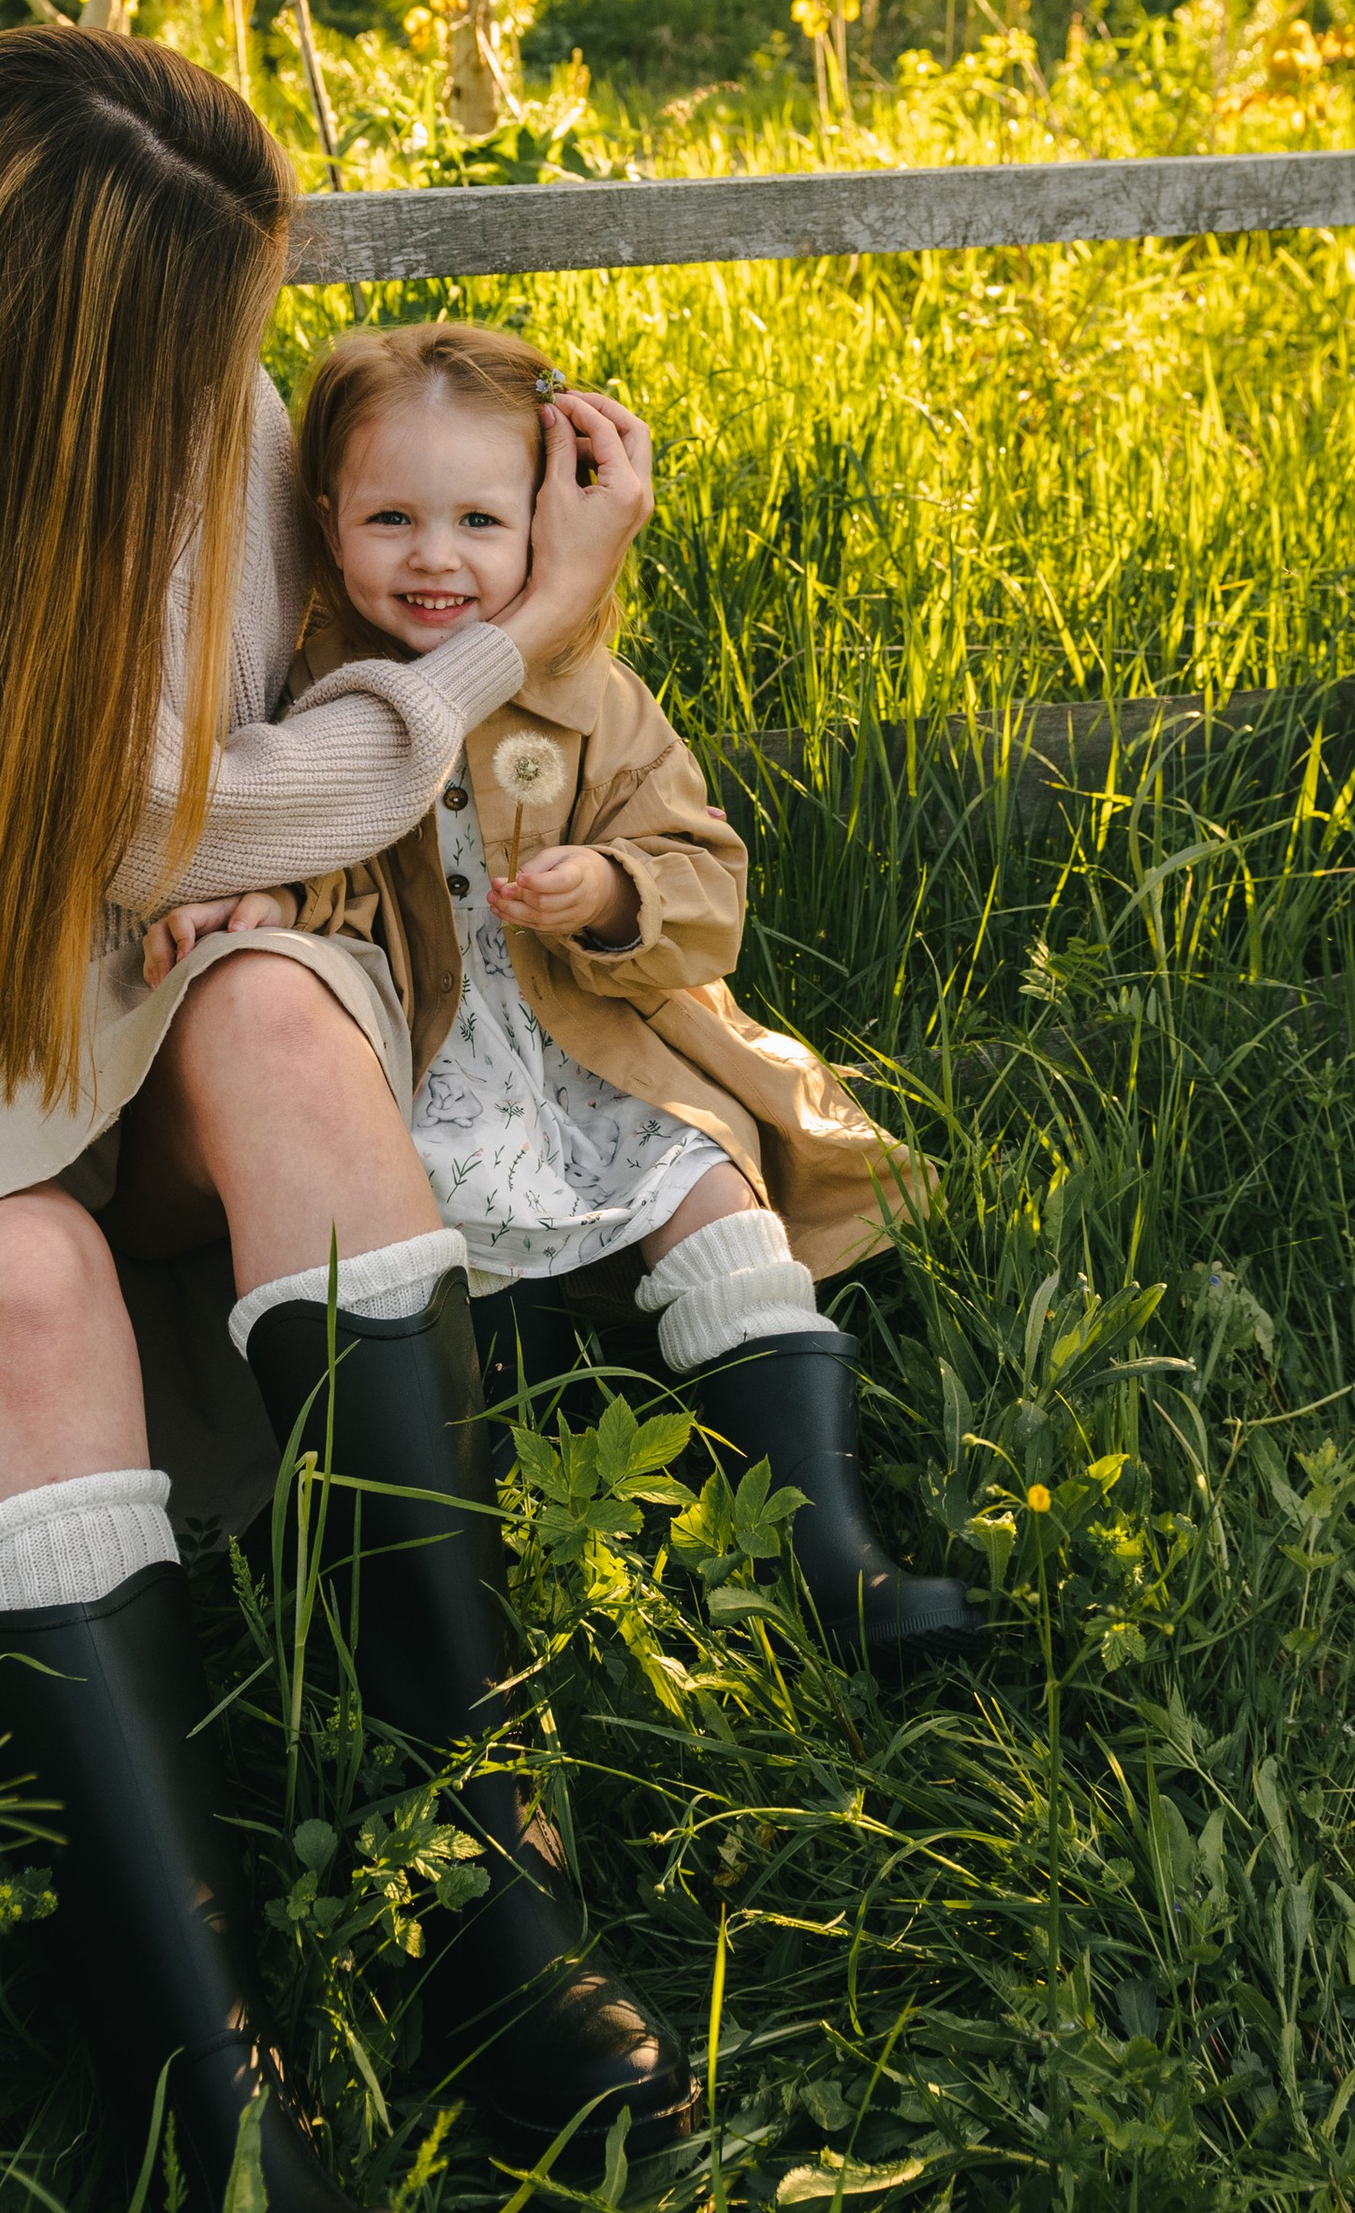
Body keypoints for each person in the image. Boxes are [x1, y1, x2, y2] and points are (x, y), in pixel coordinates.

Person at [0, 26, 691, 2213]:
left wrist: (317, 800)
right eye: (194, 339)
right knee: (26, 1277)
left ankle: (485, 1886)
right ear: (47, 348)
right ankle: (203, 2116)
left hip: (159, 997)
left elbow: (253, 795)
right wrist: (496, 668)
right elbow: (154, 826)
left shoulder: (216, 428)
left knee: (267, 1022)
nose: (238, 386)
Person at [142, 317, 981, 1675]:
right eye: (391, 517)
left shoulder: (596, 702)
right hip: (430, 1078)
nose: (436, 557)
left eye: (482, 518)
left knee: (710, 1192)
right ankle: (540, 1515)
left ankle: (834, 1555)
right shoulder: (316, 713)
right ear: (322, 524)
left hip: (598, 1054)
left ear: (548, 521)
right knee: (452, 1265)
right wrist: (265, 900)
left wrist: (613, 889)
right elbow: (306, 872)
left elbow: (706, 882)